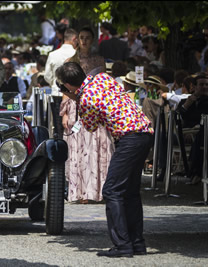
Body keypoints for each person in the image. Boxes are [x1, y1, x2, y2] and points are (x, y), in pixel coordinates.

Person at [56, 62, 154, 257]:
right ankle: (137, 243)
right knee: (131, 192)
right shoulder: (103, 78)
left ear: (67, 86)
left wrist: (76, 99)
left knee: (112, 190)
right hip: (145, 133)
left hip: (129, 138)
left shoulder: (85, 100)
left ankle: (122, 245)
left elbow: (90, 126)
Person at [62, 27, 112, 203]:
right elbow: (66, 88)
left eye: (87, 38)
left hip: (95, 107)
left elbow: (104, 84)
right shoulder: (71, 60)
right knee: (79, 148)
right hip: (76, 106)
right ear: (77, 40)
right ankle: (81, 191)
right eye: (81, 38)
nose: (83, 41)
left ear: (92, 40)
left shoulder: (98, 60)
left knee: (96, 147)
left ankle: (97, 190)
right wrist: (65, 113)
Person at [44, 28, 78, 96]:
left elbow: (47, 76)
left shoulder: (52, 54)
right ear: (74, 39)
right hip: (73, 95)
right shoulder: (76, 54)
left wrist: (54, 83)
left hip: (56, 92)